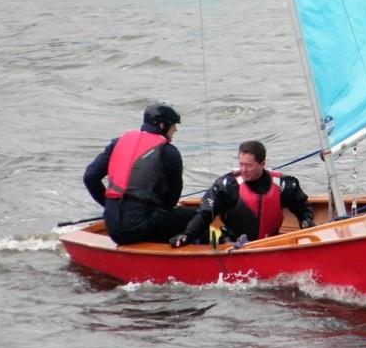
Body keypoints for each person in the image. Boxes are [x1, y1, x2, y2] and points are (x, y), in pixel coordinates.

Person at [83, 102, 197, 245]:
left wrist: (109, 206)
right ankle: (204, 250)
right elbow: (172, 200)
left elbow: (90, 177)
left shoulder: (117, 143)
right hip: (141, 229)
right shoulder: (168, 152)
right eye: (173, 125)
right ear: (162, 125)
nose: (175, 129)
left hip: (113, 227)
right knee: (201, 215)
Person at [170, 140, 315, 248]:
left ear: (262, 164)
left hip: (270, 243)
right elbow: (204, 214)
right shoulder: (227, 185)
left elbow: (302, 206)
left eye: (249, 165)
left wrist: (306, 220)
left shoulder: (283, 184)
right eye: (241, 164)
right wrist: (187, 235)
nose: (243, 170)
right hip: (232, 245)